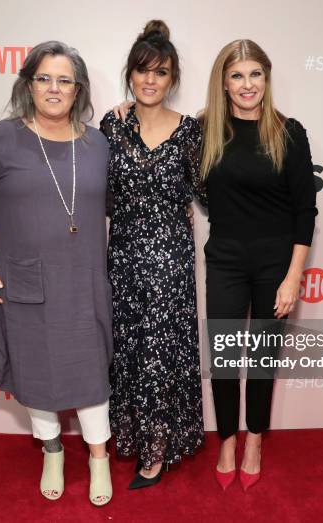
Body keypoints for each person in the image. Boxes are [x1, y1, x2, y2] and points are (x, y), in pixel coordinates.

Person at [0, 41, 113, 506]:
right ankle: (54, 451)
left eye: (64, 79)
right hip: (25, 284)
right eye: (44, 78)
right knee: (38, 376)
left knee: (91, 376)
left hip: (84, 282)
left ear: (78, 88)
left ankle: (98, 458)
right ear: (29, 84)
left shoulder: (97, 142)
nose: (54, 88)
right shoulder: (1, 138)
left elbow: (117, 206)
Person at [201, 39, 317, 491]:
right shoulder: (206, 130)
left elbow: (305, 211)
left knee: (263, 358)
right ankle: (226, 439)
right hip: (225, 258)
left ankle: (254, 440)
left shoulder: (290, 132)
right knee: (226, 357)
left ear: (266, 80)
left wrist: (293, 276)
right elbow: (159, 135)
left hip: (275, 263)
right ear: (224, 83)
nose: (247, 85)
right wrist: (128, 106)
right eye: (237, 76)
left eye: (255, 75)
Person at [99, 20, 205, 490]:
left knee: (162, 350)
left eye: (160, 73)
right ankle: (133, 435)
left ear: (172, 80)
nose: (149, 80)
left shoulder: (190, 132)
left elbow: (205, 191)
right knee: (130, 349)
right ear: (130, 74)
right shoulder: (112, 125)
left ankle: (157, 450)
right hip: (121, 257)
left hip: (170, 259)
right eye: (142, 71)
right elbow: (98, 195)